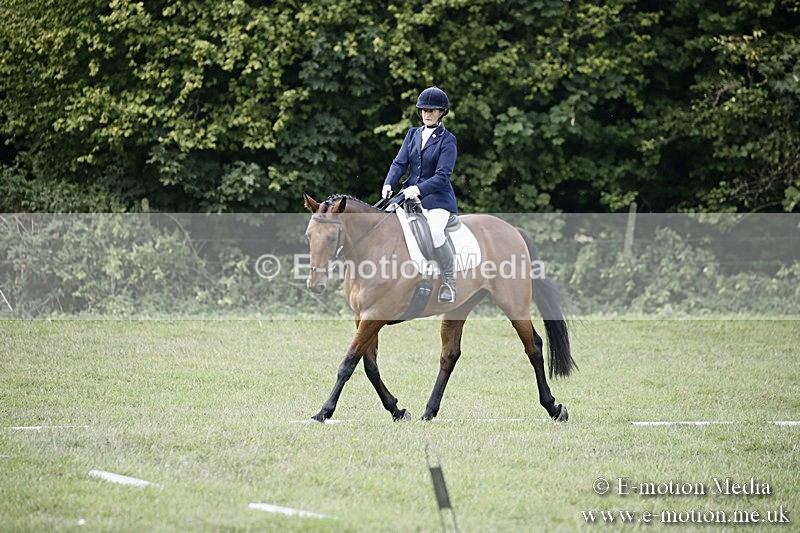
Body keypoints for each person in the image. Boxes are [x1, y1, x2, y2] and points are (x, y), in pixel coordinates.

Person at [382, 86, 458, 303]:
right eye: (424, 110)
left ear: (442, 112)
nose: (427, 113)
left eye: (432, 110)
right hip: (408, 195)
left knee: (435, 232)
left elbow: (443, 176)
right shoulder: (413, 134)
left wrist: (419, 189)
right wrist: (389, 183)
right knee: (386, 221)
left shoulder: (448, 140)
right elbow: (399, 162)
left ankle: (449, 282)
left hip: (437, 199)